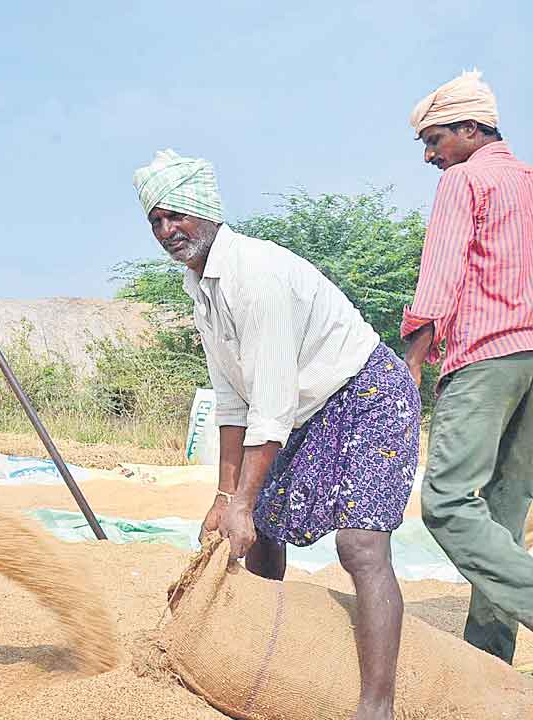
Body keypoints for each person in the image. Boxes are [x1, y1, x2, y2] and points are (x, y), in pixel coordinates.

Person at [134, 150, 420, 720]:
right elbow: (232, 402)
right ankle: (268, 656)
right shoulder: (201, 289)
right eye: (156, 221)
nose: (167, 231)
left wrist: (242, 501)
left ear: (205, 210)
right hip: (309, 410)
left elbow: (271, 404)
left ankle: (376, 705)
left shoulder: (256, 277)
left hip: (368, 394)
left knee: (360, 546)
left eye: (176, 215)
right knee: (259, 528)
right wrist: (225, 498)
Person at [403, 70, 533, 664]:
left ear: (472, 128)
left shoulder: (465, 180)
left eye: (435, 140)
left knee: (448, 502)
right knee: (505, 507)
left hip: (486, 356)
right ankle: (489, 659)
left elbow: (441, 272)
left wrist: (413, 359)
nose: (430, 156)